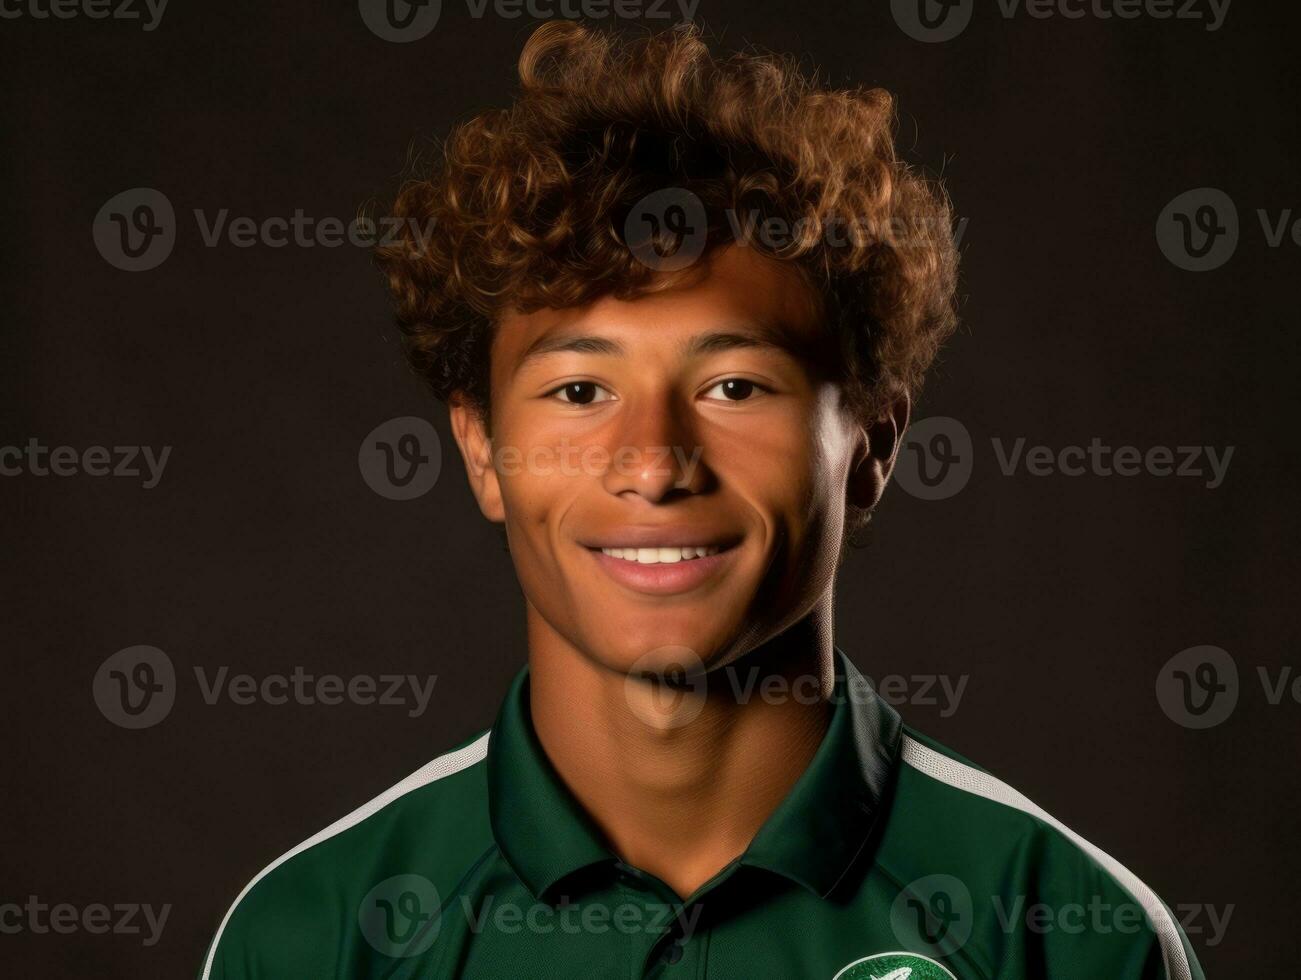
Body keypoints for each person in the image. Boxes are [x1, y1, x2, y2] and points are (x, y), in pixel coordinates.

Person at [200, 21, 1204, 979]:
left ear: (872, 445)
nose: (652, 463)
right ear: (478, 447)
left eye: (734, 386)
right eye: (579, 390)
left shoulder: (1068, 928)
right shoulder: (315, 932)